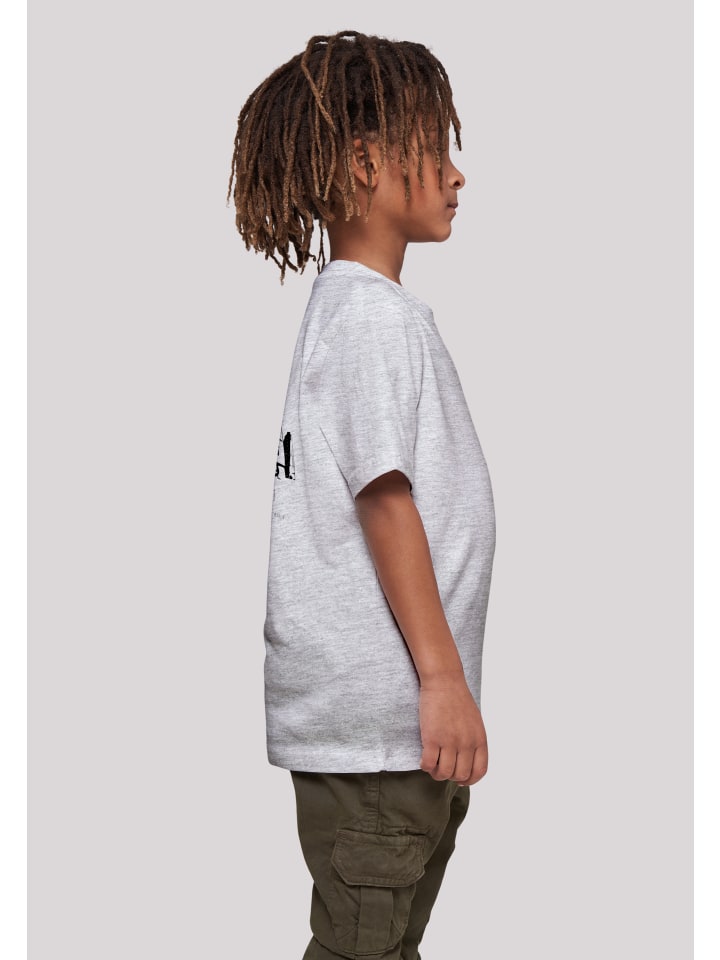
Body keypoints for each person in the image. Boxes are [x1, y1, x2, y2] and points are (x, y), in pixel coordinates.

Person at [227, 30, 496, 960]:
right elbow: (385, 503)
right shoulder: (368, 319)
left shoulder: (362, 314)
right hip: (384, 731)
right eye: (436, 148)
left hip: (389, 734)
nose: (457, 174)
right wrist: (443, 680)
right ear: (367, 163)